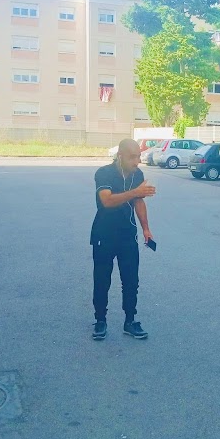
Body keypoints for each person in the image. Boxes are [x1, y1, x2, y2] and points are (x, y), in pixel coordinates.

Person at [90, 139, 156, 340]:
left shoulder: (138, 174)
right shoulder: (104, 173)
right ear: (120, 156)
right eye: (132, 157)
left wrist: (146, 228)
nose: (137, 161)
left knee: (131, 280)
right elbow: (107, 201)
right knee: (102, 280)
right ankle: (100, 320)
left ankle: (130, 321)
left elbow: (139, 202)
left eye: (138, 156)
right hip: (104, 234)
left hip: (128, 234)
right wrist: (136, 192)